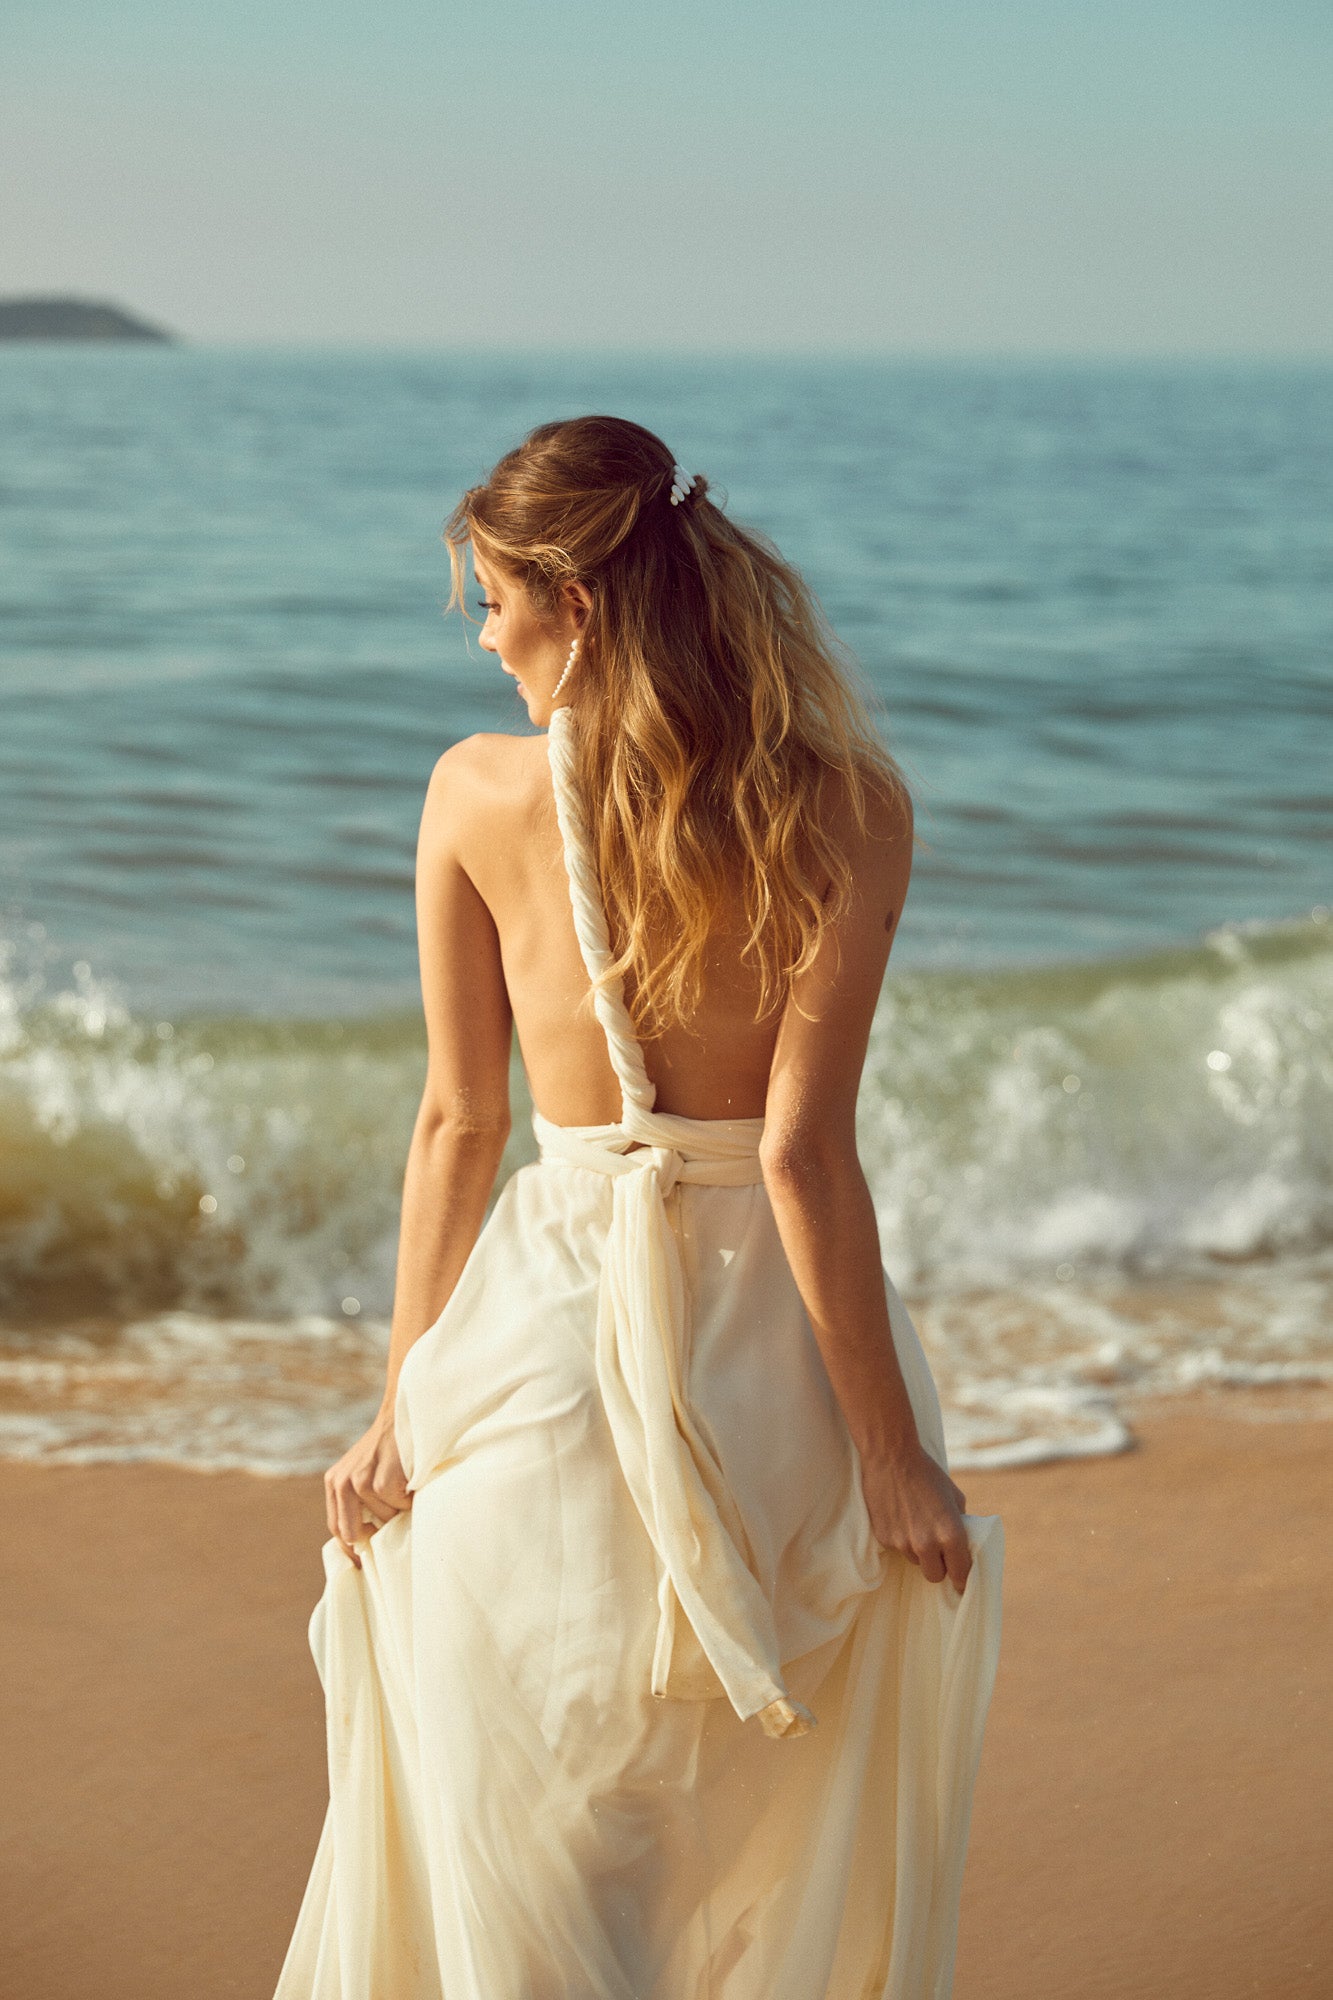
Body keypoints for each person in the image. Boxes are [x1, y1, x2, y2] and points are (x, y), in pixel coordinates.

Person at [274, 416, 1003, 2000]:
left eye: (491, 602)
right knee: (748, 1818)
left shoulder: (471, 794)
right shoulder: (849, 805)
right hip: (773, 1362)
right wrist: (891, 1459)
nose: (484, 639)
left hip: (548, 1339)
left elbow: (460, 1125)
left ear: (577, 604)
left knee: (535, 1823)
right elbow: (803, 1157)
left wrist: (399, 1411)